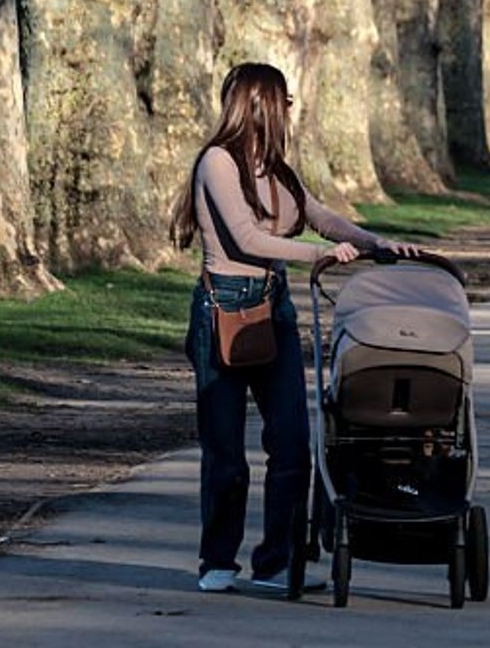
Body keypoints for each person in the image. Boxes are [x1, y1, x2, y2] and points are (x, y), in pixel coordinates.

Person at [171, 62, 416, 594]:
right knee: (227, 453)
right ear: (259, 104)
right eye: (284, 99)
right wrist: (320, 256)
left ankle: (276, 561)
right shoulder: (217, 162)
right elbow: (245, 239)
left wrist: (374, 243)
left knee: (294, 444)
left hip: (274, 310)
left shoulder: (278, 169)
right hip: (224, 313)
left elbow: (322, 215)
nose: (290, 108)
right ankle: (217, 559)